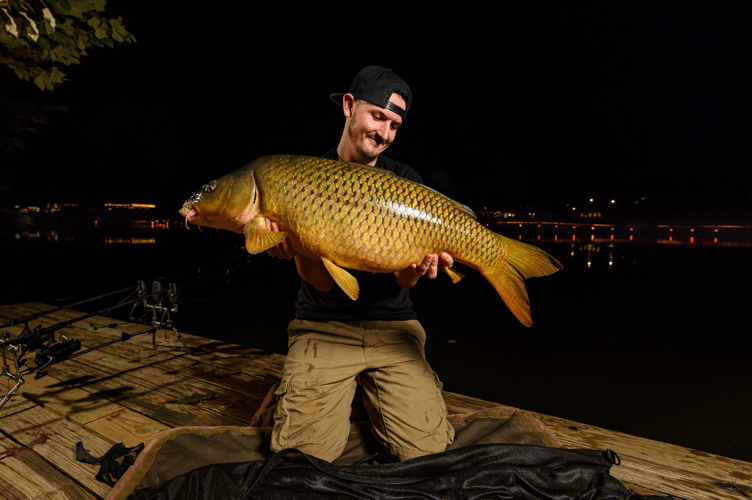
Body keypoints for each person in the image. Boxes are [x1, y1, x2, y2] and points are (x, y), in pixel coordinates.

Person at [265, 66, 455, 462]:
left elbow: (403, 281)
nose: (385, 133)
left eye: (395, 126)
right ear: (349, 106)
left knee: (426, 453)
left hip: (394, 328)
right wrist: (298, 246)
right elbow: (321, 285)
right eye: (378, 117)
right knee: (300, 460)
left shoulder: (405, 181)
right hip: (324, 325)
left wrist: (416, 267)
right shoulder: (303, 178)